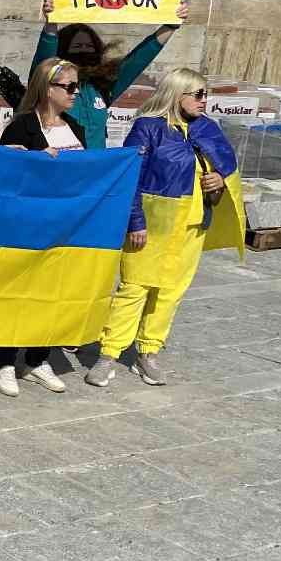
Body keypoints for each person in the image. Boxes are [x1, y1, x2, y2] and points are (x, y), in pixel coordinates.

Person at [87, 67, 237, 388]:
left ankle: (148, 351)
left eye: (205, 94)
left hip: (193, 225)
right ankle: (109, 353)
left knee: (170, 292)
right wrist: (135, 221)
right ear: (177, 93)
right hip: (154, 225)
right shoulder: (148, 128)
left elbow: (225, 165)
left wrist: (219, 180)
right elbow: (132, 177)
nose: (203, 100)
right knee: (134, 288)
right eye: (197, 94)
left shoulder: (208, 129)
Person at [0, 57, 86, 398]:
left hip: (63, 229)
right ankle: (3, 362)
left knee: (51, 295)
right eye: (69, 87)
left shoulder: (76, 127)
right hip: (26, 228)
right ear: (47, 88)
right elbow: (3, 177)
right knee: (18, 295)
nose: (76, 92)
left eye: (77, 86)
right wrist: (34, 161)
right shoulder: (21, 127)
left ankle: (37, 359)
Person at [33, 0, 192, 150]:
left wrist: (171, 26)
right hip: (58, 170)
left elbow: (137, 61)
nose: (83, 52)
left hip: (96, 171)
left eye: (89, 47)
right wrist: (51, 24)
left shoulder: (102, 87)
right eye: (77, 47)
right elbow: (44, 61)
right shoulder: (49, 86)